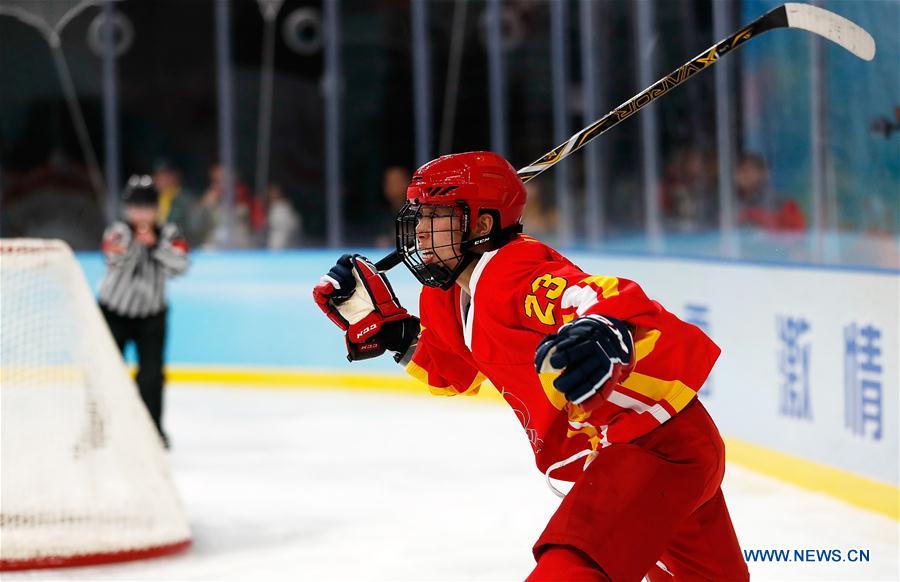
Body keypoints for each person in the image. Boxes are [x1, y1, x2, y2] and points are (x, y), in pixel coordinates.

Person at [313, 152, 748, 581]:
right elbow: (452, 373)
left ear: (481, 226)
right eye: (420, 216)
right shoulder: (445, 295)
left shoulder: (514, 271)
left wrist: (602, 328)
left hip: (651, 447)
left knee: (571, 567)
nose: (421, 233)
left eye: (436, 217)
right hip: (660, 452)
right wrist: (397, 335)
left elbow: (597, 295)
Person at [98, 175, 189, 446]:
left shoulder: (170, 234)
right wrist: (136, 244)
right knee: (104, 372)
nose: (140, 212)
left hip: (152, 315)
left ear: (155, 208)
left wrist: (155, 245)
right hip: (114, 312)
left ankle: (152, 431)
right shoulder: (117, 232)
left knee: (151, 376)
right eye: (135, 207)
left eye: (146, 206)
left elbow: (181, 265)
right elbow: (113, 259)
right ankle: (97, 429)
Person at [266, 183, 301, 249]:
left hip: (282, 244)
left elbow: (293, 225)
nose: (269, 195)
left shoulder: (284, 208)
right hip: (275, 243)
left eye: (273, 192)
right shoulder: (274, 207)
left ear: (279, 193)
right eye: (269, 192)